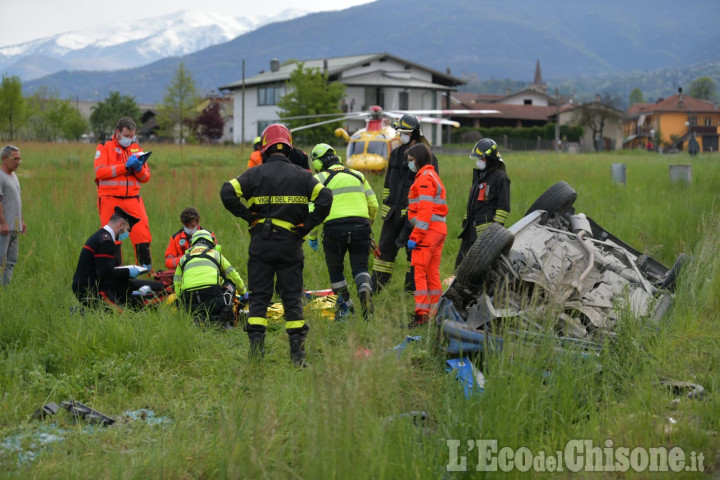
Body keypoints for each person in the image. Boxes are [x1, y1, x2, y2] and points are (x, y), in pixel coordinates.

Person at [221, 123, 333, 366]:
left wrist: (247, 216)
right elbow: (325, 197)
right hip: (291, 242)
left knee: (260, 298)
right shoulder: (303, 175)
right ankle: (297, 358)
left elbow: (227, 191)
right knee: (292, 298)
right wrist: (307, 225)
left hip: (261, 242)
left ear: (265, 148)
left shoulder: (253, 174)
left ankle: (256, 357)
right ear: (288, 147)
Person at [308, 143, 378, 320]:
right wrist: (367, 224)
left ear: (317, 162)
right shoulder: (358, 175)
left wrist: (312, 236)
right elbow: (374, 205)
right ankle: (365, 295)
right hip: (361, 228)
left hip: (334, 230)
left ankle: (347, 306)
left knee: (336, 270)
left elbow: (313, 211)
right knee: (360, 267)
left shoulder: (318, 179)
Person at [370, 113, 438, 294]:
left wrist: (409, 225)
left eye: (405, 132)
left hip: (414, 216)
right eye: (400, 132)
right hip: (392, 213)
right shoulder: (397, 153)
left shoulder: (427, 156)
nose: (401, 136)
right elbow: (388, 185)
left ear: (415, 133)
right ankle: (374, 289)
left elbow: (427, 191)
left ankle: (411, 292)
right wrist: (387, 205)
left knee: (414, 256)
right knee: (384, 252)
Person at [72, 206, 164, 310]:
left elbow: (106, 269)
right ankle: (78, 312)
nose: (127, 234)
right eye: (127, 230)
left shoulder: (102, 236)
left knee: (133, 288)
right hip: (91, 289)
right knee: (122, 315)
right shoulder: (105, 241)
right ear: (120, 225)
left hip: (97, 284)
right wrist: (128, 272)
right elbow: (105, 273)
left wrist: (130, 273)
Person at [94, 117, 153, 267]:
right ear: (117, 132)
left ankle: (145, 271)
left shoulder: (137, 148)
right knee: (112, 237)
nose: (129, 139)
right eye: (126, 136)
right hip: (110, 199)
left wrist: (139, 169)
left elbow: (146, 177)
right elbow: (100, 173)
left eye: (132, 136)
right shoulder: (104, 146)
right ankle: (115, 273)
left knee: (142, 235)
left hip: (133, 199)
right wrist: (124, 167)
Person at [405, 144, 448, 328]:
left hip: (427, 232)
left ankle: (421, 315)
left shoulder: (423, 179)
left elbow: (425, 211)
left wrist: (415, 235)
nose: (409, 164)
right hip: (438, 230)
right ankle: (435, 312)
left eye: (411, 160)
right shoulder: (433, 175)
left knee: (420, 273)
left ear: (419, 159)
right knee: (432, 273)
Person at [455, 138, 510, 269]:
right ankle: (454, 288)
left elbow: (504, 208)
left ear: (490, 159)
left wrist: (494, 232)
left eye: (482, 159)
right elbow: (472, 203)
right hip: (470, 231)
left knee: (481, 268)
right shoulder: (479, 176)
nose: (479, 162)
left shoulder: (501, 178)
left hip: (485, 235)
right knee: (460, 265)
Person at [173, 229, 247, 325]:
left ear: (192, 243)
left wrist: (182, 301)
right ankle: (225, 313)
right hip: (215, 301)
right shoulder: (216, 255)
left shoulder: (183, 259)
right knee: (230, 283)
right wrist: (244, 293)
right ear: (211, 242)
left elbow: (177, 282)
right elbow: (233, 275)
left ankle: (197, 318)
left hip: (190, 304)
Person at [0, 145, 25, 286]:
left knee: (11, 261)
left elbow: (17, 200)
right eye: (15, 159)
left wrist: (21, 220)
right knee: (0, 261)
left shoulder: (14, 176)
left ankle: (5, 289)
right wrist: (3, 222)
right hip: (4, 227)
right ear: (4, 159)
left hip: (15, 226)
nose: (18, 162)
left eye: (20, 159)